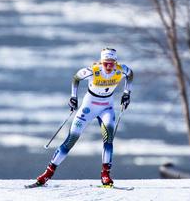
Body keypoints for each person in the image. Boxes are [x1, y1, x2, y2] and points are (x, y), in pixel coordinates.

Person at [31, 47, 133, 187]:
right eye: (105, 63)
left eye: (112, 63)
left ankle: (105, 175)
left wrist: (127, 93)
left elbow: (130, 74)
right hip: (89, 107)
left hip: (107, 108)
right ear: (101, 62)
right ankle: (47, 174)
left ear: (116, 62)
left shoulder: (121, 70)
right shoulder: (93, 70)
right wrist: (73, 97)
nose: (109, 66)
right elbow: (76, 78)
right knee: (71, 139)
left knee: (108, 140)